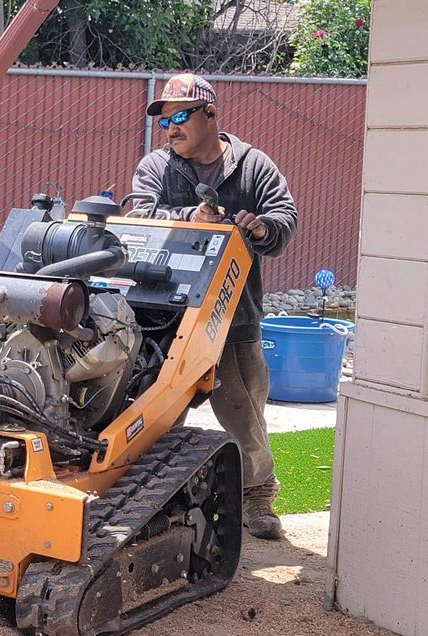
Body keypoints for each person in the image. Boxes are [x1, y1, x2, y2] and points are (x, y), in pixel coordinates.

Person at [132, 73, 298, 540]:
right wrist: (187, 217)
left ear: (210, 114)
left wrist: (262, 228)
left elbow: (285, 215)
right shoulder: (156, 167)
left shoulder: (253, 165)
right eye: (165, 121)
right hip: (165, 316)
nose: (171, 128)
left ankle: (257, 495)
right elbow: (138, 212)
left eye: (181, 117)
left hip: (233, 313)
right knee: (155, 413)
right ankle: (152, 499)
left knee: (244, 412)